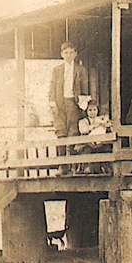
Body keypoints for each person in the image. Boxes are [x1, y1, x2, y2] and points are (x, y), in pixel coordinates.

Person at [48, 41, 90, 176]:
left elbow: (84, 88)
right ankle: (62, 166)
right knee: (61, 132)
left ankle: (73, 166)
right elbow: (52, 88)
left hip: (73, 103)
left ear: (75, 54)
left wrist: (83, 104)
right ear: (62, 54)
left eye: (71, 52)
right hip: (60, 104)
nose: (69, 55)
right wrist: (53, 103)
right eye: (66, 53)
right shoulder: (57, 70)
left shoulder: (80, 70)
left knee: (73, 132)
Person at [75, 100, 112, 175]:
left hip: (99, 142)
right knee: (87, 149)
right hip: (87, 143)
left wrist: (107, 124)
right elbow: (83, 130)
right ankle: (87, 167)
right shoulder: (83, 121)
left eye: (94, 110)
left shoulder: (100, 119)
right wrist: (93, 126)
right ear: (86, 111)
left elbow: (108, 126)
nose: (92, 112)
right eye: (90, 110)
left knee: (106, 148)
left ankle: (105, 167)